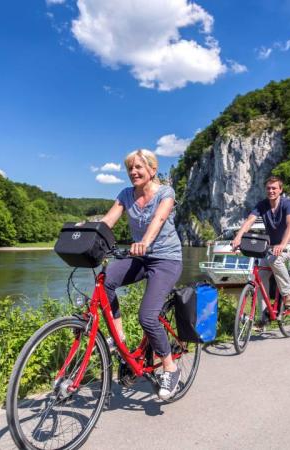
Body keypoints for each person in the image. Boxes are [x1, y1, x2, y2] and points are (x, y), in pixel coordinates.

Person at [101, 149, 183, 400]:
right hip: (140, 257)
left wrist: (145, 241)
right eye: (130, 169)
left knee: (148, 316)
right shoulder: (126, 195)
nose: (133, 172)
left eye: (139, 167)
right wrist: (88, 231)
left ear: (152, 170)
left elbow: (158, 220)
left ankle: (170, 367)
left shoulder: (165, 193)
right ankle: (119, 338)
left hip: (166, 259)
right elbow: (107, 222)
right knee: (105, 281)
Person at [231, 176, 290, 319]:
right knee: (260, 277)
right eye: (268, 188)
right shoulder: (262, 205)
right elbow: (249, 221)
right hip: (271, 247)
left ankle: (289, 294)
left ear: (280, 190)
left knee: (276, 260)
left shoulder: (288, 204)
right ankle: (263, 317)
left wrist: (282, 244)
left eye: (274, 188)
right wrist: (238, 237)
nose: (271, 191)